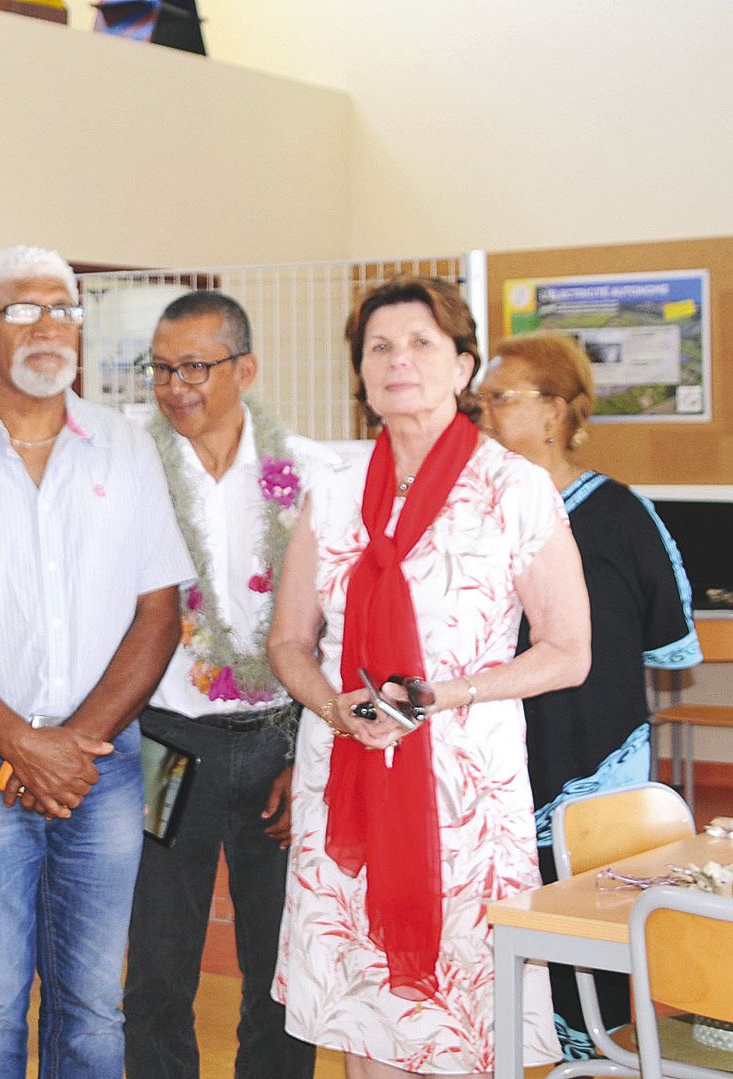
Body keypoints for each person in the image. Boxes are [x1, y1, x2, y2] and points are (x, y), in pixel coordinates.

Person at [0, 245, 194, 1078]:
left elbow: (158, 614)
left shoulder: (127, 448)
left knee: (93, 1002)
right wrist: (21, 741)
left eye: (64, 309)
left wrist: (71, 745)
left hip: (104, 763)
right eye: (24, 310)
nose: (50, 327)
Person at [266, 276, 591, 1078]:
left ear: (462, 365)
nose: (397, 360)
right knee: (362, 1007)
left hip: (463, 797)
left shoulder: (512, 489)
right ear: (361, 372)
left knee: (463, 1017)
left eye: (419, 343)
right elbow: (288, 642)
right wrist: (334, 706)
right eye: (378, 346)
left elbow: (567, 650)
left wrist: (446, 693)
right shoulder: (333, 492)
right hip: (345, 782)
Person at [124, 290, 334, 1079]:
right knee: (157, 957)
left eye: (195, 367)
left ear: (243, 368)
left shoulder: (307, 473)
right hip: (164, 739)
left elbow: (332, 626)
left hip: (281, 738)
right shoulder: (130, 470)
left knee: (281, 962)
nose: (176, 385)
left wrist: (311, 751)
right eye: (160, 369)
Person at [477, 330, 700, 1056]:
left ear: (552, 411)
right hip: (493, 756)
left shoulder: (619, 513)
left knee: (596, 936)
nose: (479, 410)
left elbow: (670, 643)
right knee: (499, 932)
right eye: (476, 397)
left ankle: (596, 1054)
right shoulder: (471, 513)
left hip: (593, 757)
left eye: (497, 397)